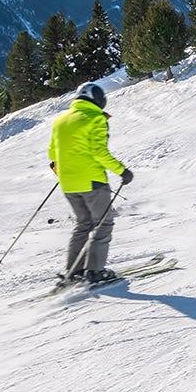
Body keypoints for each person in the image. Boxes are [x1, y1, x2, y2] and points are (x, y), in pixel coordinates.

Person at [48, 82, 133, 283]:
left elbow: (52, 153)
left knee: (83, 224)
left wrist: (65, 173)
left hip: (68, 184)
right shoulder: (95, 118)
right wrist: (122, 171)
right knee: (103, 225)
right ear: (96, 98)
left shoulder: (60, 120)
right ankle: (95, 272)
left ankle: (74, 271)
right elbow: (99, 152)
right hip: (92, 182)